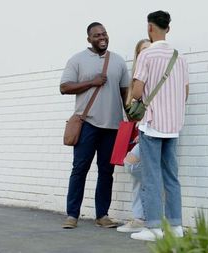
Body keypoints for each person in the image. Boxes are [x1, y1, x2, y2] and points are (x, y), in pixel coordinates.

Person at [59, 22, 130, 229]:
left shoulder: (117, 61)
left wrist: (130, 120)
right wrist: (92, 82)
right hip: (87, 123)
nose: (102, 37)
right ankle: (72, 215)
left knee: (106, 171)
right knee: (79, 169)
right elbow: (64, 87)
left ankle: (102, 215)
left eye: (104, 34)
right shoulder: (77, 60)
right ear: (89, 38)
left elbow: (125, 92)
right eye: (97, 35)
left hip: (113, 127)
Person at [129, 11, 189, 241]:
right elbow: (185, 93)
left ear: (150, 29)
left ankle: (153, 228)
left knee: (152, 175)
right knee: (171, 176)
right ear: (169, 29)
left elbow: (136, 91)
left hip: (152, 124)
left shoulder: (147, 55)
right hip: (173, 126)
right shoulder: (179, 58)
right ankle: (176, 227)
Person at [117, 39, 151, 233]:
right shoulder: (136, 79)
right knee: (137, 177)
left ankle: (144, 216)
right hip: (142, 130)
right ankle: (139, 218)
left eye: (148, 49)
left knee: (131, 165)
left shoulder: (156, 74)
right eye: (142, 52)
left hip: (153, 130)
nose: (145, 54)